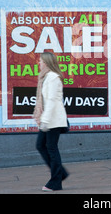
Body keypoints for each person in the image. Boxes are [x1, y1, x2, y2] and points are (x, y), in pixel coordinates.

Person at [33, 52, 69, 191]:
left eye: (41, 61)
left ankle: (56, 182)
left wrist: (45, 121)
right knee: (41, 145)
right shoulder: (46, 77)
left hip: (53, 120)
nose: (39, 63)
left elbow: (53, 101)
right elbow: (45, 100)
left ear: (47, 63)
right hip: (49, 119)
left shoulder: (53, 77)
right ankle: (61, 174)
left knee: (51, 148)